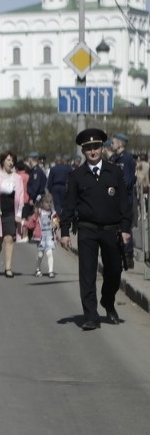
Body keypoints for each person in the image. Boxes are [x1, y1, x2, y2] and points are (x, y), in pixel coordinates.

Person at [59, 128, 131, 331]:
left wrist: (125, 228)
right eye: (88, 148)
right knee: (87, 274)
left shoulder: (114, 171)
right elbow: (69, 205)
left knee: (114, 271)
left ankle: (107, 301)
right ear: (83, 151)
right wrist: (65, 232)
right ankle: (91, 316)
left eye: (96, 147)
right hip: (87, 230)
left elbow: (124, 204)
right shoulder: (77, 175)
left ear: (102, 148)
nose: (93, 151)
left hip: (112, 230)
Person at [0, 150, 24, 277]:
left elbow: (21, 196)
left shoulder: (17, 178)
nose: (11, 162)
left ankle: (8, 268)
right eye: (8, 160)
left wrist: (19, 214)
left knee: (9, 239)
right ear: (3, 161)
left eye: (13, 160)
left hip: (10, 212)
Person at [108, 132, 136, 269]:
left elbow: (127, 181)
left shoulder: (127, 159)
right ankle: (120, 254)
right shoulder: (116, 158)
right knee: (117, 227)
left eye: (113, 142)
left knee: (125, 226)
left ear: (120, 143)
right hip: (115, 199)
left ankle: (128, 255)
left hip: (125, 199)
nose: (111, 144)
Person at [34, 193, 57, 278]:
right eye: (47, 202)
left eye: (50, 202)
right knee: (40, 254)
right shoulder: (39, 212)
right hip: (41, 236)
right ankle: (38, 269)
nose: (49, 204)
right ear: (42, 203)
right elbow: (32, 222)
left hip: (49, 236)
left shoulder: (52, 213)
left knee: (49, 253)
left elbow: (56, 221)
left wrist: (55, 224)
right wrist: (24, 223)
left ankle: (50, 271)